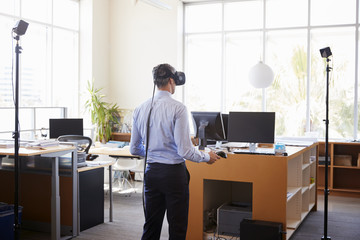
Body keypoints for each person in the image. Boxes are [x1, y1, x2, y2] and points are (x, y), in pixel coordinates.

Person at [130, 63, 220, 240]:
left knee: (151, 226)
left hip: (152, 173)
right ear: (172, 81)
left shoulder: (140, 108)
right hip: (173, 175)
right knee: (177, 227)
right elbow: (185, 151)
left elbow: (134, 148)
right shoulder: (178, 108)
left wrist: (151, 152)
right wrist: (206, 157)